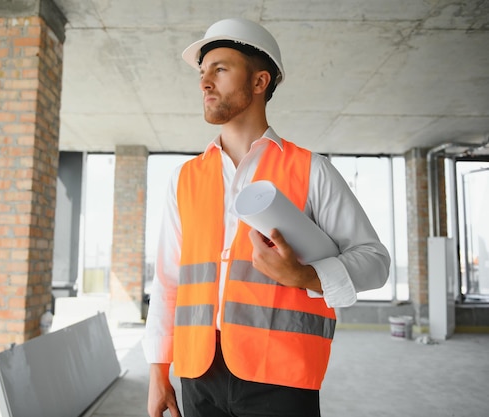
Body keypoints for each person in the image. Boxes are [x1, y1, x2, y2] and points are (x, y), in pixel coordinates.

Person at [142, 17, 391, 417]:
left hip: (282, 373)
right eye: (203, 73)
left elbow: (375, 261)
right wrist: (158, 370)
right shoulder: (184, 179)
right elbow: (169, 282)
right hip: (198, 373)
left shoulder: (312, 170)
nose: (204, 82)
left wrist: (306, 277)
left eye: (220, 70)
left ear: (260, 82)